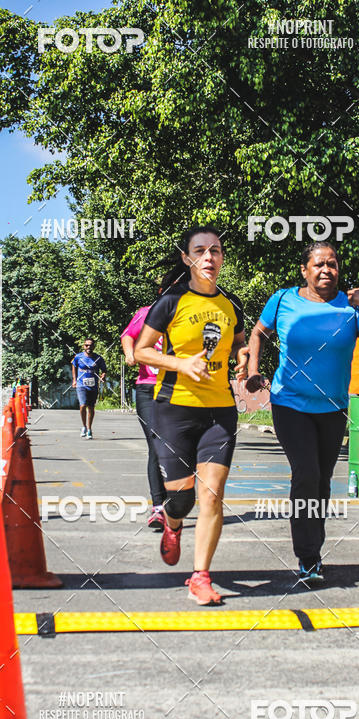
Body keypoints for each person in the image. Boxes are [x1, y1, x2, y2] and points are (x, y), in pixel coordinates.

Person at [237, 242, 359, 586]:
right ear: (304, 270)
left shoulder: (351, 306)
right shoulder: (284, 300)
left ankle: (312, 550)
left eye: (332, 264)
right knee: (305, 473)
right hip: (290, 404)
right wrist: (255, 369)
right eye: (319, 264)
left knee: (321, 481)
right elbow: (258, 333)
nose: (326, 270)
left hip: (333, 409)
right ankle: (308, 556)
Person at [134, 226, 245, 606]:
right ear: (187, 258)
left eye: (215, 250)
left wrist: (245, 362)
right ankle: (174, 521)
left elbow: (241, 346)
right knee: (181, 501)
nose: (209, 257)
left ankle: (200, 576)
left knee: (212, 495)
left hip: (220, 412)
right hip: (175, 408)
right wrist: (180, 363)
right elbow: (142, 352)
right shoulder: (170, 302)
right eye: (200, 251)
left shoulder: (232, 306)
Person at [121, 305, 167, 530]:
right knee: (156, 442)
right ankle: (158, 506)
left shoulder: (191, 311)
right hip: (148, 389)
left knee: (178, 447)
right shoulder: (146, 313)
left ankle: (175, 497)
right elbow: (127, 335)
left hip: (179, 389)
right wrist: (130, 354)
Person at [71, 339, 107, 440]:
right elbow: (74, 365)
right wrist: (74, 379)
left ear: (94, 347)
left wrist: (103, 376)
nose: (88, 347)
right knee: (83, 405)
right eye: (86, 345)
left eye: (90, 346)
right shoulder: (78, 357)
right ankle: (84, 426)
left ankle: (90, 429)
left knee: (91, 407)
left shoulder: (98, 358)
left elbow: (104, 370)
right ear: (84, 346)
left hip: (93, 385)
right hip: (81, 384)